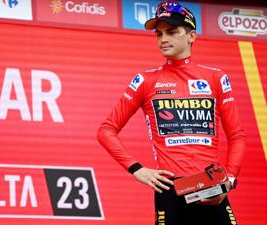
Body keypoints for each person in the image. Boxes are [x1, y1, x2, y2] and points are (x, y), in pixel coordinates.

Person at [97, 1, 245, 224]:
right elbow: (106, 130)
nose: (163, 39)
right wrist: (137, 169)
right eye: (159, 34)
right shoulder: (145, 81)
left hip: (213, 188)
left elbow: (237, 136)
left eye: (172, 32)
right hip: (171, 191)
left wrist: (230, 180)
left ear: (191, 36)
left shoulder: (216, 78)